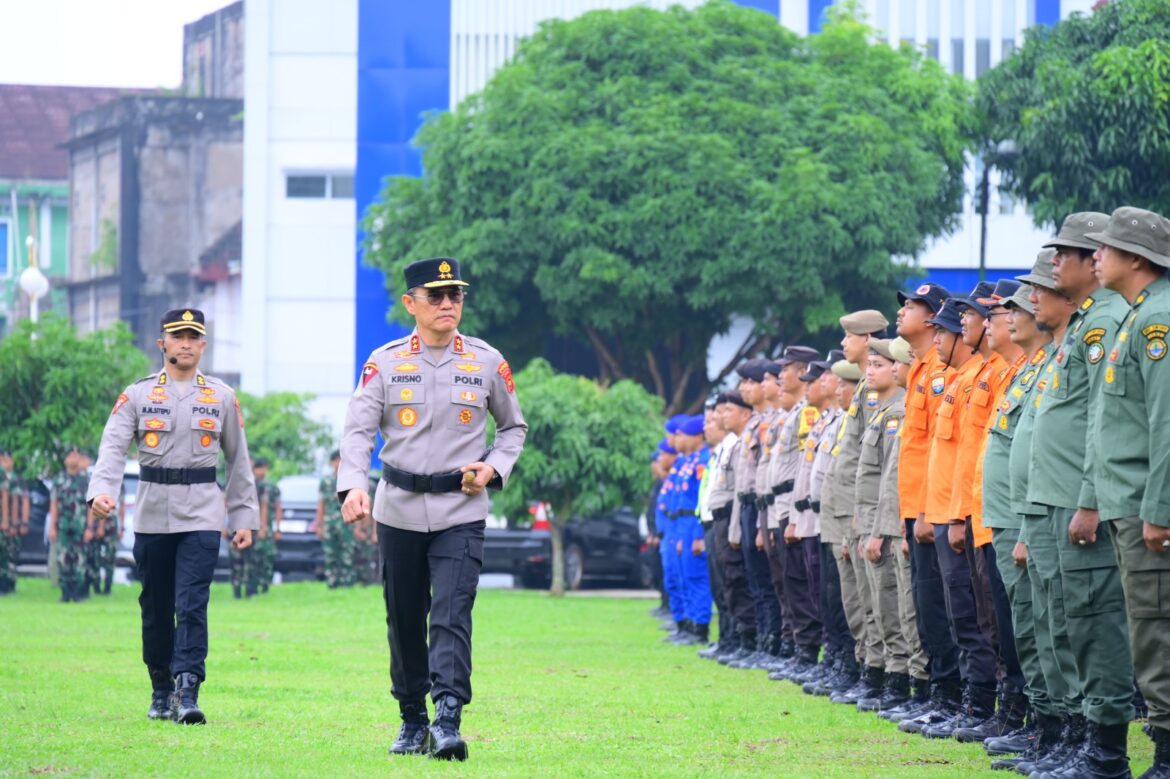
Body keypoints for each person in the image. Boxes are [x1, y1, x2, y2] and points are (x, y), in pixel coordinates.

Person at [337, 257, 527, 761]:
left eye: (456, 295)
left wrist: (493, 467)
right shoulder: (385, 361)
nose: (448, 304)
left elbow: (512, 429)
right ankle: (411, 717)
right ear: (411, 304)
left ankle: (447, 717)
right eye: (436, 296)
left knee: (451, 614)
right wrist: (352, 485)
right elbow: (357, 431)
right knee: (403, 617)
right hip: (396, 508)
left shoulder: (487, 361)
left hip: (460, 510)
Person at [87, 308, 258, 725]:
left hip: (201, 512)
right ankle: (160, 687)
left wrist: (243, 518)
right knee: (156, 606)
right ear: (161, 343)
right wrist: (102, 491)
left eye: (193, 336)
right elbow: (112, 449)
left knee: (193, 604)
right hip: (152, 513)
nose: (185, 343)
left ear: (203, 344)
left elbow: (239, 460)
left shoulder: (220, 396)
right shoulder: (139, 395)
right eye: (177, 336)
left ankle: (187, 689)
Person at [1031, 212, 1138, 778]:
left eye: (1065, 253)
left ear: (1093, 258)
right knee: (1070, 621)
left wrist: (1090, 497)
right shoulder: (1084, 324)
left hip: (1083, 498)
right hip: (1059, 496)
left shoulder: (1108, 321)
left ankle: (1104, 751)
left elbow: (1106, 419)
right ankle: (1080, 738)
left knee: (1095, 621)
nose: (1055, 263)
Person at [1087, 207, 1170, 777]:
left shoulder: (1157, 321)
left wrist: (1160, 510)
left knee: (1157, 631)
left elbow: (1165, 424)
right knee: (1147, 631)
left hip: (1147, 508)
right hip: (1126, 504)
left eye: (1106, 247)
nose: (1096, 255)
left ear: (1136, 258)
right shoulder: (1136, 317)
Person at [50, 446, 90, 602]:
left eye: (76, 455)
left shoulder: (85, 481)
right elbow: (54, 505)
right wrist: (52, 527)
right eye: (70, 455)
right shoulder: (59, 480)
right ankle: (65, 593)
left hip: (80, 527)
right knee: (63, 559)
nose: (73, 458)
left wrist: (90, 528)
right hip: (63, 526)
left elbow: (90, 506)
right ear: (65, 460)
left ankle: (78, 593)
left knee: (80, 560)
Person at [318, 450, 358, 588]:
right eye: (335, 460)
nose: (337, 463)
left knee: (347, 552)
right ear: (331, 462)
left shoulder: (350, 480)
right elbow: (321, 504)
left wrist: (358, 526)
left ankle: (347, 581)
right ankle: (332, 581)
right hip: (330, 523)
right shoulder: (326, 482)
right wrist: (319, 525)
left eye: (340, 460)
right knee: (331, 553)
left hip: (347, 522)